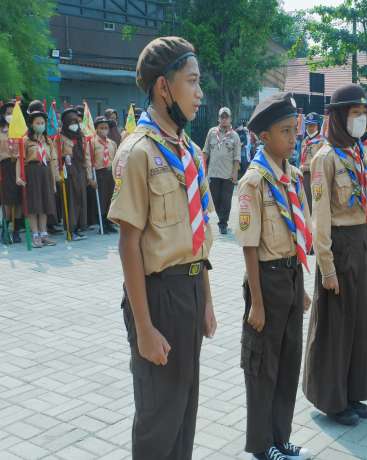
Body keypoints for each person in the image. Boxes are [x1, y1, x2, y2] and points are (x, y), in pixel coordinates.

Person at [107, 36, 218, 459]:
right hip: (157, 297)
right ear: (163, 87)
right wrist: (145, 329)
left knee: (185, 410)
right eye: (192, 82)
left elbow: (198, 235)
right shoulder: (137, 151)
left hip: (189, 292)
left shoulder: (190, 152)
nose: (199, 92)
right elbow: (128, 246)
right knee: (158, 417)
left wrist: (206, 300)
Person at [235, 91, 313, 460]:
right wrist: (257, 304)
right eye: (285, 132)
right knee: (263, 366)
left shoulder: (293, 177)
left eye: (295, 131)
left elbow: (297, 233)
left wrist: (302, 288)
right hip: (265, 279)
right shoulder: (254, 182)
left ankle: (281, 437)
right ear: (263, 136)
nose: (292, 138)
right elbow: (249, 246)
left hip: (291, 277)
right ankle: (262, 444)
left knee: (287, 363)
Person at [302, 83, 367, 427]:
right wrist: (327, 267)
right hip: (338, 246)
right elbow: (319, 217)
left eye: (363, 114)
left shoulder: (361, 154)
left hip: (361, 243)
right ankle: (330, 400)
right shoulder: (325, 158)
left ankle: (353, 393)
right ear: (338, 117)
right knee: (336, 326)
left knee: (360, 323)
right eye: (355, 113)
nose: (361, 119)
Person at [16, 110, 60, 248]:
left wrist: (54, 181)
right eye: (37, 123)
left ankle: (44, 234)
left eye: (42, 123)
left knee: (45, 205)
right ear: (31, 124)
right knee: (34, 205)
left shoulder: (48, 140)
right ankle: (35, 235)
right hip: (32, 172)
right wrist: (18, 176)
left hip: (45, 173)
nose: (40, 125)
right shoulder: (25, 140)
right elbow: (20, 160)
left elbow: (52, 161)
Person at [203, 106, 241, 235]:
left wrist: (235, 173)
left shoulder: (235, 136)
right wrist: (203, 169)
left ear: (230, 119)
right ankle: (221, 217)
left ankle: (223, 224)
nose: (224, 119)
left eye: (226, 117)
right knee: (215, 199)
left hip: (228, 174)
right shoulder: (212, 132)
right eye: (222, 117)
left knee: (226, 200)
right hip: (213, 173)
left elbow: (237, 157)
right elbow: (205, 152)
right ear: (218, 119)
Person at [60, 107, 91, 240]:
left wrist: (89, 175)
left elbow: (87, 156)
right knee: (71, 199)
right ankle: (70, 229)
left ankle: (78, 227)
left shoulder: (81, 137)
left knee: (81, 198)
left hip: (80, 170)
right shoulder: (60, 137)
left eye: (75, 122)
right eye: (70, 122)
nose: (74, 125)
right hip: (68, 171)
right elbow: (57, 155)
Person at [91, 116, 118, 233]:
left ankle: (109, 223)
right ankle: (101, 223)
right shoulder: (92, 142)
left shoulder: (112, 143)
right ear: (96, 129)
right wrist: (90, 177)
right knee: (101, 199)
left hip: (110, 172)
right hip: (99, 173)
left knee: (110, 199)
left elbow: (116, 159)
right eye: (101, 128)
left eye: (106, 128)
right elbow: (89, 160)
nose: (104, 130)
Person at [0, 100, 22, 244]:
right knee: (7, 200)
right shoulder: (0, 131)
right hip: (5, 166)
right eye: (8, 113)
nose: (10, 116)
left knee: (19, 200)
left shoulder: (22, 131)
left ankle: (16, 230)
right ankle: (6, 228)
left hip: (19, 167)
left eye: (13, 113)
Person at [299, 112, 324, 209]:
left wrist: (306, 167)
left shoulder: (321, 142)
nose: (310, 128)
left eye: (313, 125)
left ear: (318, 126)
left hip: (315, 176)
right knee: (304, 201)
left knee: (314, 202)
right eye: (308, 125)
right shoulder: (304, 141)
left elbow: (321, 163)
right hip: (303, 176)